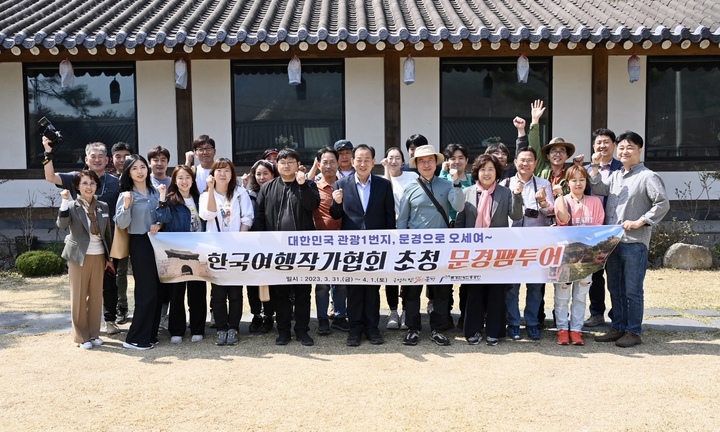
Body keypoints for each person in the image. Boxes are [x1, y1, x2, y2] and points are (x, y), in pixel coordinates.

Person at [590, 131, 670, 348]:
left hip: (634, 243)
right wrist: (595, 166)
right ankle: (618, 327)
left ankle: (633, 331)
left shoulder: (647, 176)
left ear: (639, 150)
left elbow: (662, 203)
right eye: (622, 148)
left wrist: (641, 221)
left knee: (632, 290)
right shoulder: (616, 175)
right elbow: (597, 187)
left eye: (630, 147)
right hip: (614, 242)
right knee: (615, 288)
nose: (625, 151)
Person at [42, 138, 122, 336]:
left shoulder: (115, 181)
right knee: (81, 289)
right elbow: (50, 176)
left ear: (107, 159)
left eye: (100, 156)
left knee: (109, 283)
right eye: (92, 156)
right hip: (82, 242)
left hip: (108, 240)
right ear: (86, 159)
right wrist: (47, 154)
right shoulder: (76, 178)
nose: (96, 160)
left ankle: (109, 320)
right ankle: (82, 329)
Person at [396, 145, 464, 346]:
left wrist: (457, 182)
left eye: (430, 160)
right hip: (415, 249)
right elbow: (402, 220)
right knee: (412, 291)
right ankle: (413, 328)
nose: (426, 164)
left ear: (437, 163)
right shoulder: (409, 188)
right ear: (416, 164)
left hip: (441, 248)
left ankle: (438, 328)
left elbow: (458, 207)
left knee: (441, 291)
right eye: (422, 161)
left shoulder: (447, 185)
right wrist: (402, 244)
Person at [330, 144, 395, 346]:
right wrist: (336, 202)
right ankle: (355, 329)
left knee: (373, 289)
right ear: (352, 161)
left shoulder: (383, 185)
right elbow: (335, 215)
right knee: (355, 289)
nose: (363, 163)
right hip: (353, 247)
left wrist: (389, 244)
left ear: (373, 162)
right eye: (359, 159)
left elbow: (389, 216)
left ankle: (372, 328)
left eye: (367, 159)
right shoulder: (341, 184)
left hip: (376, 246)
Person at [254, 148, 320, 346]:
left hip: (302, 250)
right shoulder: (268, 187)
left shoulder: (308, 184)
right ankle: (283, 331)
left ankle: (302, 330)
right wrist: (262, 244)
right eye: (282, 162)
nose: (286, 165)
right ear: (277, 165)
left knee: (302, 292)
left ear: (298, 165)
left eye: (291, 162)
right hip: (276, 249)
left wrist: (303, 185)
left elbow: (312, 206)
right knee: (280, 292)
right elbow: (259, 217)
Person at [455, 155, 522, 346]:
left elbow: (516, 215)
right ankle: (473, 330)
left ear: (497, 172)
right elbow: (460, 223)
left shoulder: (505, 192)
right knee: (473, 292)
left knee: (496, 292)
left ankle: (494, 331)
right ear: (477, 171)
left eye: (491, 169)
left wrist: (517, 195)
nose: (487, 173)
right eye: (483, 169)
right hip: (472, 252)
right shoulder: (467, 192)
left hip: (496, 252)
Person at [199, 158, 254, 346]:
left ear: (232, 174)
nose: (223, 174)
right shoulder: (205, 196)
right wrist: (211, 190)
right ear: (212, 175)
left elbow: (248, 217)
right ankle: (221, 328)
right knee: (218, 292)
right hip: (215, 249)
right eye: (219, 171)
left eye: (227, 170)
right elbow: (209, 214)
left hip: (236, 249)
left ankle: (233, 328)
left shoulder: (240, 193)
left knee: (236, 292)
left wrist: (240, 238)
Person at [57, 171, 114, 349]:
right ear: (77, 186)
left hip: (98, 255)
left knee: (96, 296)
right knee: (79, 296)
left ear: (96, 186)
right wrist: (64, 201)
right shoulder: (72, 206)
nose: (89, 187)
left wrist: (109, 257)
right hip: (78, 256)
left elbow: (107, 233)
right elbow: (62, 224)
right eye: (85, 183)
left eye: (92, 183)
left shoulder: (103, 206)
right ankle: (81, 336)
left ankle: (94, 333)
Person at [502, 147, 555, 341]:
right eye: (522, 160)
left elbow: (551, 211)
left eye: (530, 160)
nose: (525, 163)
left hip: (537, 244)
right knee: (511, 287)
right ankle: (514, 323)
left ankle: (532, 323)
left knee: (535, 287)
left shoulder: (543, 184)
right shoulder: (506, 183)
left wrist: (542, 203)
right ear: (515, 162)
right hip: (512, 243)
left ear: (535, 163)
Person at [552, 166, 605, 346]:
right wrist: (559, 196)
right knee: (562, 295)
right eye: (573, 180)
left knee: (581, 295)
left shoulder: (595, 201)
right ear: (567, 183)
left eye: (581, 179)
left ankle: (576, 329)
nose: (578, 183)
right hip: (565, 256)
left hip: (588, 257)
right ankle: (561, 328)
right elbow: (563, 220)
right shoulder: (562, 200)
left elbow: (598, 227)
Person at [114, 155, 162, 350]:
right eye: (135, 168)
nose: (140, 171)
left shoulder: (154, 191)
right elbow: (121, 223)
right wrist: (126, 206)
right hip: (140, 242)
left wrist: (159, 224)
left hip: (158, 242)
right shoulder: (127, 194)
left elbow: (162, 215)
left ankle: (150, 334)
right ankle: (135, 338)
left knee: (157, 290)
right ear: (128, 172)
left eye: (143, 167)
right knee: (146, 290)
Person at [155, 165, 207, 344]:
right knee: (176, 293)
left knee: (197, 292)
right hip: (176, 253)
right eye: (180, 178)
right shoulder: (170, 200)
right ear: (174, 181)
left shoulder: (200, 199)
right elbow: (162, 218)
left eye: (187, 177)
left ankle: (198, 329)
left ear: (192, 180)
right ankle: (177, 329)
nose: (184, 181)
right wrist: (162, 198)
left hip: (199, 252)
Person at [583, 128, 622, 328]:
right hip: (593, 229)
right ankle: (596, 312)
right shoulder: (587, 169)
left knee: (615, 273)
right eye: (599, 143)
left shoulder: (622, 168)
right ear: (593, 146)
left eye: (607, 142)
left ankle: (618, 315)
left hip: (614, 227)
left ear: (614, 145)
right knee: (595, 273)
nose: (602, 146)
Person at [311, 147, 349, 335]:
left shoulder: (346, 185)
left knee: (341, 282)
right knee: (322, 284)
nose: (329, 166)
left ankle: (340, 316)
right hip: (320, 243)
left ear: (338, 163)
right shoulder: (313, 188)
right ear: (318, 165)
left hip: (344, 241)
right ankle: (322, 318)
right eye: (324, 162)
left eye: (332, 161)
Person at [381, 147, 418, 330]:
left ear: (403, 160)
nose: (394, 161)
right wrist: (386, 170)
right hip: (390, 231)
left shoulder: (412, 177)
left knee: (408, 271)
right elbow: (385, 194)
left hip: (410, 230)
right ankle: (393, 311)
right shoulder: (381, 180)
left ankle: (406, 311)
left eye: (397, 158)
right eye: (390, 158)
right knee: (390, 274)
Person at [438, 143, 473, 330]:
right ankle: (446, 315)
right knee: (445, 277)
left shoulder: (473, 180)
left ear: (467, 161)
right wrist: (446, 174)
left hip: (468, 233)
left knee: (468, 276)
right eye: (453, 158)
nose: (457, 162)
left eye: (461, 158)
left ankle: (466, 315)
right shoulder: (442, 178)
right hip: (446, 231)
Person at [246, 159, 278, 334]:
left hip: (272, 243)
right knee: (252, 282)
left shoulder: (278, 191)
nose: (261, 177)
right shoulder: (247, 194)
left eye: (265, 173)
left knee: (270, 281)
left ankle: (269, 316)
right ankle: (256, 315)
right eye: (258, 174)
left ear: (273, 174)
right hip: (252, 244)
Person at [148, 145, 172, 331]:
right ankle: (154, 316)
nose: (159, 163)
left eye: (163, 160)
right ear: (149, 163)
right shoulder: (143, 181)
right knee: (151, 279)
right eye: (155, 160)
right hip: (148, 237)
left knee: (169, 278)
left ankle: (165, 317)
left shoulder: (174, 182)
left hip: (169, 237)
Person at [110, 142, 132, 324]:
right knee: (120, 272)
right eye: (118, 156)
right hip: (119, 231)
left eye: (126, 156)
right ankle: (121, 306)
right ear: (112, 159)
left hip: (140, 231)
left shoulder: (138, 177)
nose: (122, 160)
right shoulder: (109, 181)